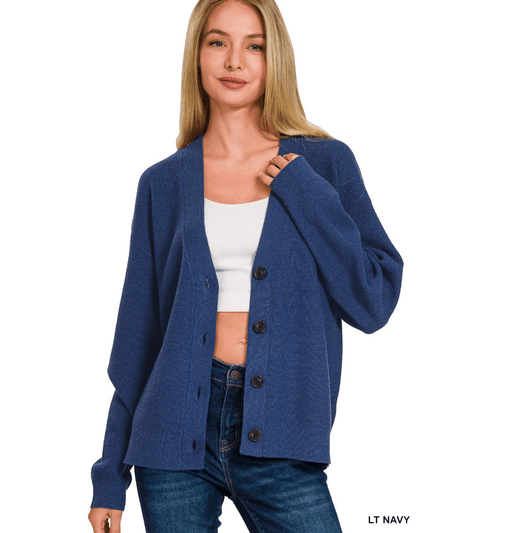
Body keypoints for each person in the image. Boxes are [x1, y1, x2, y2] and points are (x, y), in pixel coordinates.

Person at [88, 0, 404, 531]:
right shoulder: (162, 183)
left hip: (282, 437)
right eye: (218, 42)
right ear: (197, 54)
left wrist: (306, 194)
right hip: (171, 439)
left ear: (274, 58)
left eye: (254, 46)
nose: (234, 60)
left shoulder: (324, 163)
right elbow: (137, 343)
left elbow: (373, 301)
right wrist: (109, 479)